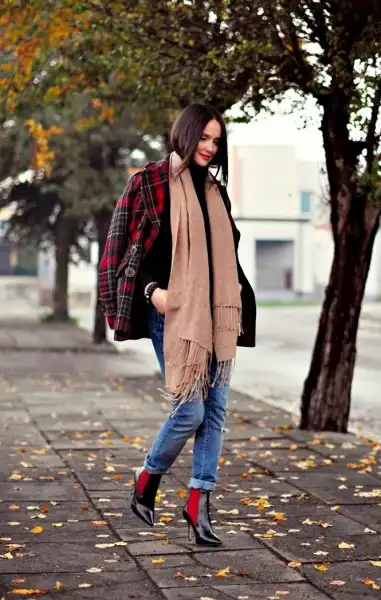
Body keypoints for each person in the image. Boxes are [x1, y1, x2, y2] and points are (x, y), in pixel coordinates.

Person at [98, 103, 256, 546]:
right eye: (203, 138)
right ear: (185, 135)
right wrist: (154, 293)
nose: (210, 147)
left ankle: (198, 503)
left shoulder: (215, 192)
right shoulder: (148, 183)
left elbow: (227, 253)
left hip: (215, 315)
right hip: (171, 311)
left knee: (216, 410)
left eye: (216, 141)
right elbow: (124, 251)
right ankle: (147, 476)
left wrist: (232, 293)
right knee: (191, 410)